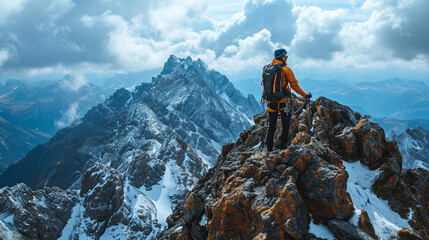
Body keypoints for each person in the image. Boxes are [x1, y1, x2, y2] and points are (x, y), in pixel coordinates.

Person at [264, 48, 311, 152]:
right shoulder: (286, 69)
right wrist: (305, 95)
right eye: (286, 56)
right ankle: (283, 148)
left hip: (270, 102)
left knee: (271, 127)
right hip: (284, 102)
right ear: (283, 57)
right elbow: (294, 85)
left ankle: (269, 150)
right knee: (285, 127)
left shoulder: (266, 69)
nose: (287, 58)